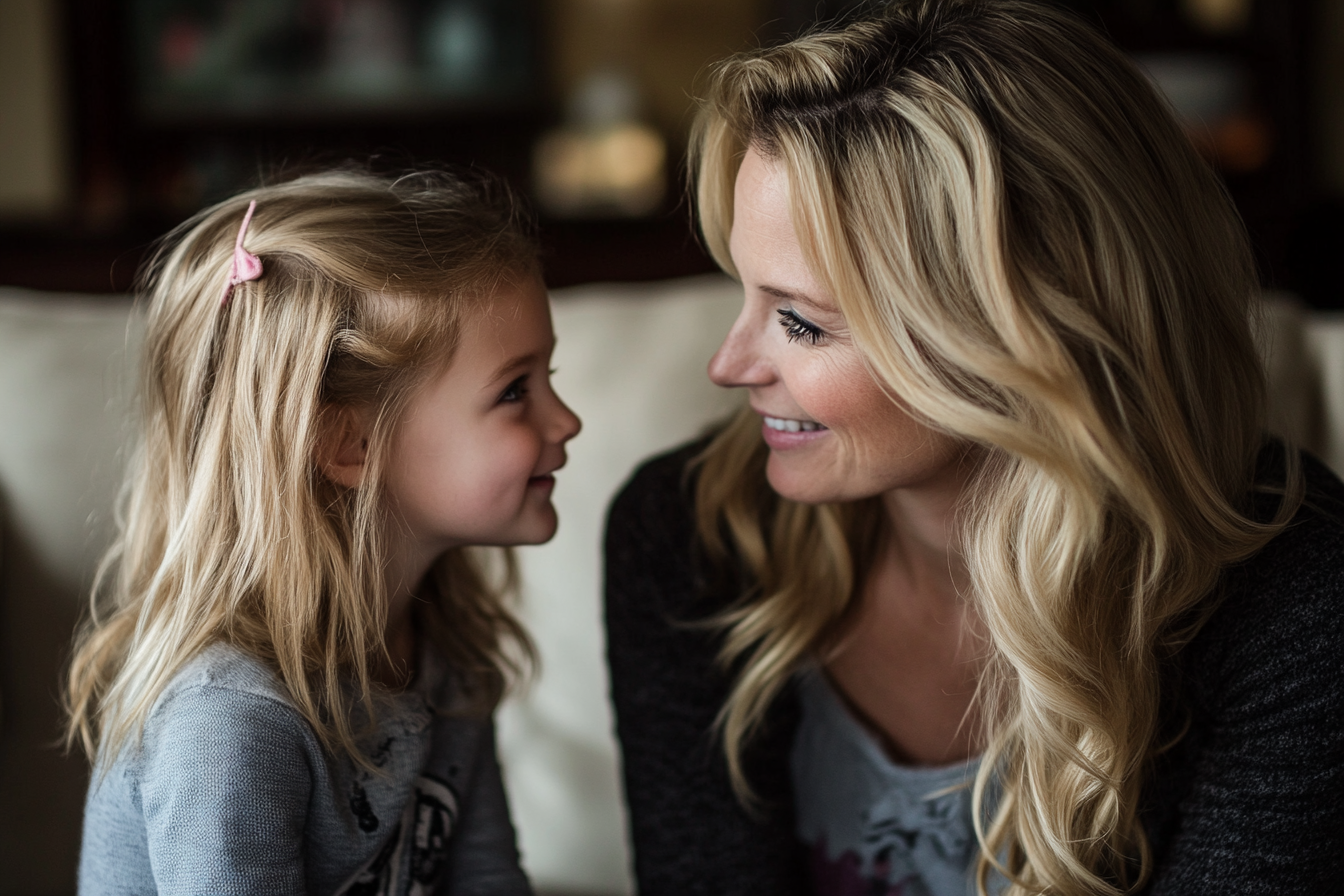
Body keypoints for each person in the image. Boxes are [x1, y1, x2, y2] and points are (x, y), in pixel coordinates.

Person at [604, 2, 1344, 895]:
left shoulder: (1300, 591)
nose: (729, 365)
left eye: (800, 321)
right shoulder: (689, 535)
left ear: (1021, 332)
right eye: (746, 294)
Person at [66, 169, 581, 895]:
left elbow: (487, 877)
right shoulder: (229, 726)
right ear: (350, 445)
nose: (566, 422)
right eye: (515, 391)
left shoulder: (442, 649)